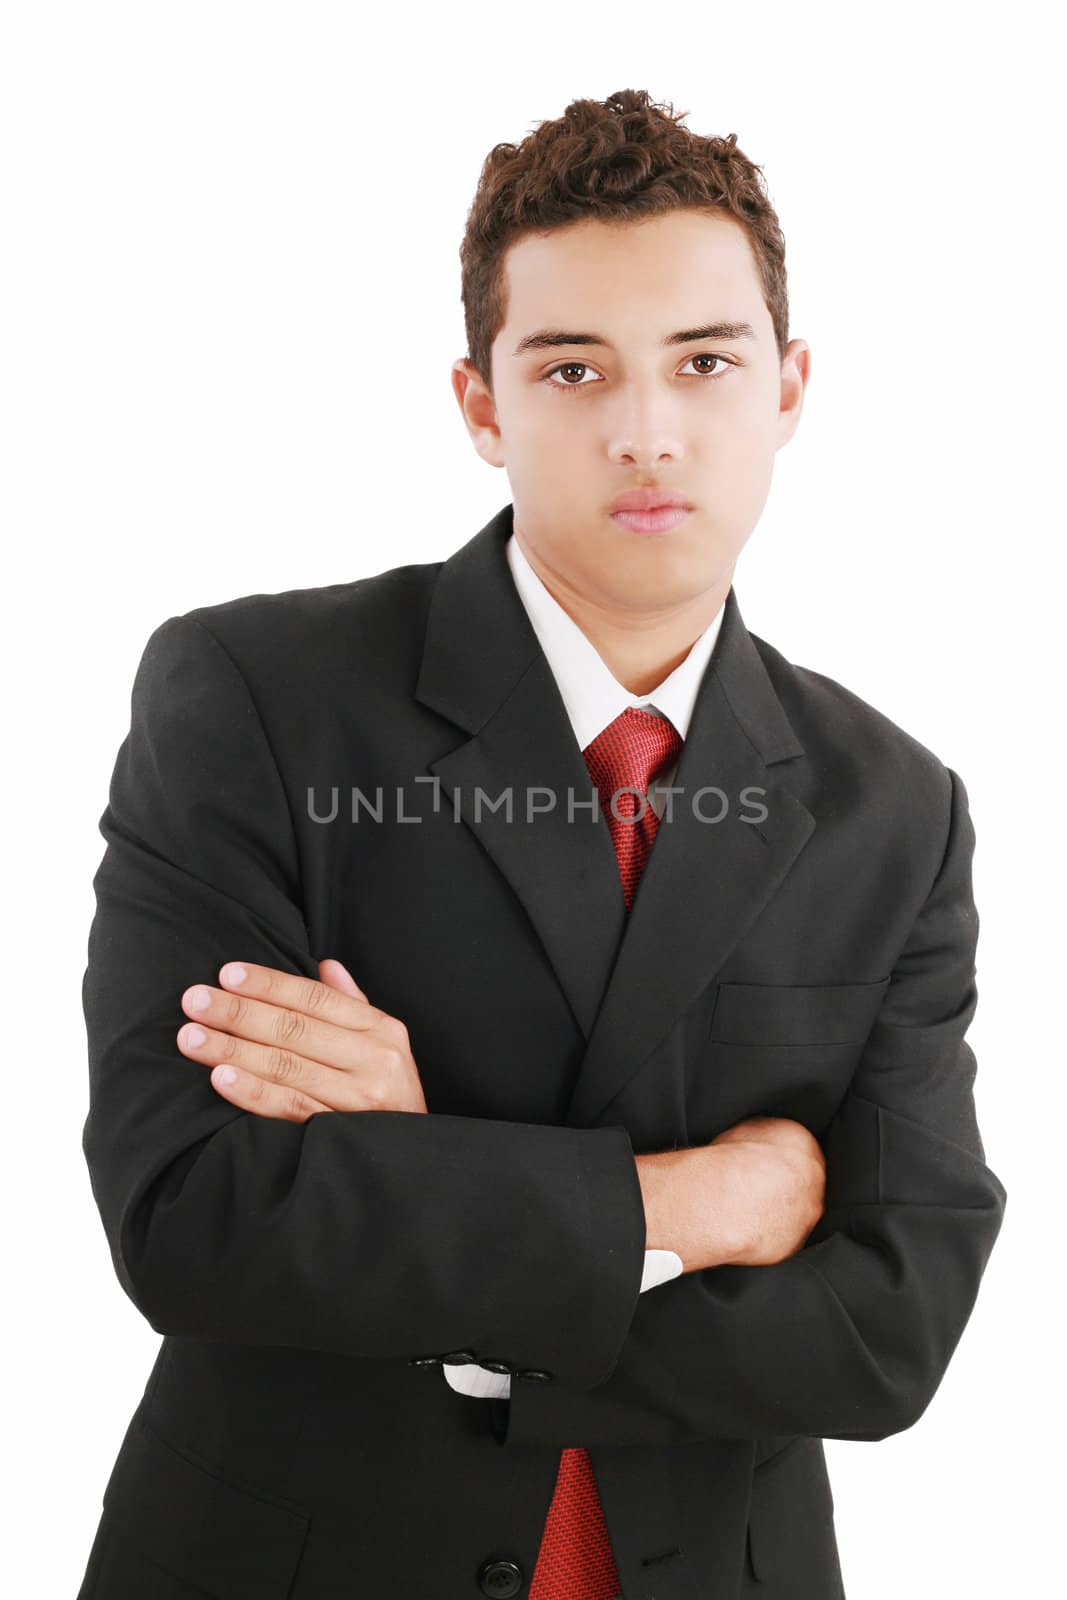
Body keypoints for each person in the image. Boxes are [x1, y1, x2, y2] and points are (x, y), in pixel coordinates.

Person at [76, 88, 1006, 1599]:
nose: (647, 429)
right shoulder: (257, 701)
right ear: (482, 405)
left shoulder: (895, 806)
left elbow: (889, 1328)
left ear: (789, 388)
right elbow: (192, 1214)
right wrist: (695, 1207)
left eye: (705, 362)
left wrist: (427, 1172)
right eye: (573, 368)